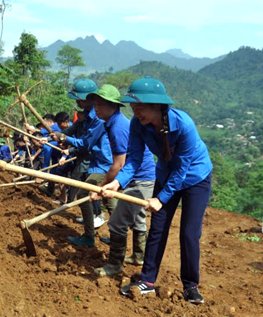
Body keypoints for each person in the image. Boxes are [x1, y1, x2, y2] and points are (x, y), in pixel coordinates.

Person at [100, 77, 213, 305]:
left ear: (157, 106)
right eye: (133, 108)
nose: (136, 112)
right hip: (165, 174)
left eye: (139, 107)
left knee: (189, 233)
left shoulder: (183, 125)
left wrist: (161, 198)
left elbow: (182, 169)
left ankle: (191, 286)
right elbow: (133, 159)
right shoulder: (137, 125)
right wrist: (117, 183)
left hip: (195, 177)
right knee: (158, 228)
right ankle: (147, 281)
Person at [86, 84, 156, 277]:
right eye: (95, 104)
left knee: (117, 222)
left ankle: (115, 265)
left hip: (140, 178)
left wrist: (101, 186)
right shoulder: (113, 122)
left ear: (113, 106)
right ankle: (139, 256)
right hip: (143, 176)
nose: (96, 108)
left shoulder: (117, 126)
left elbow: (118, 164)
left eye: (100, 104)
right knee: (138, 218)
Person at [51, 78, 114, 246]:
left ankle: (92, 237)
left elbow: (86, 143)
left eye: (80, 99)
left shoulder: (98, 118)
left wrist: (65, 138)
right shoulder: (85, 115)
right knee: (108, 201)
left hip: (104, 165)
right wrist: (59, 135)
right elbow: (73, 130)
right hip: (95, 162)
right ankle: (112, 237)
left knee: (86, 195)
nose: (77, 102)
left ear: (90, 99)